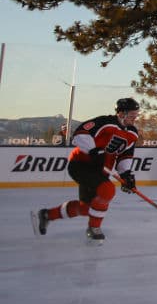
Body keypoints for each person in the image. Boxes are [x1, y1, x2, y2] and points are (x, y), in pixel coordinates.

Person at [32, 97, 142, 244]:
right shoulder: (105, 122)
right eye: (132, 115)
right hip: (81, 164)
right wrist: (93, 151)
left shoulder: (132, 133)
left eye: (136, 115)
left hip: (101, 171)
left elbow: (125, 155)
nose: (134, 118)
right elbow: (80, 133)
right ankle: (94, 229)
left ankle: (47, 215)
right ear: (121, 114)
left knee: (86, 209)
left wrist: (126, 175)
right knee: (107, 190)